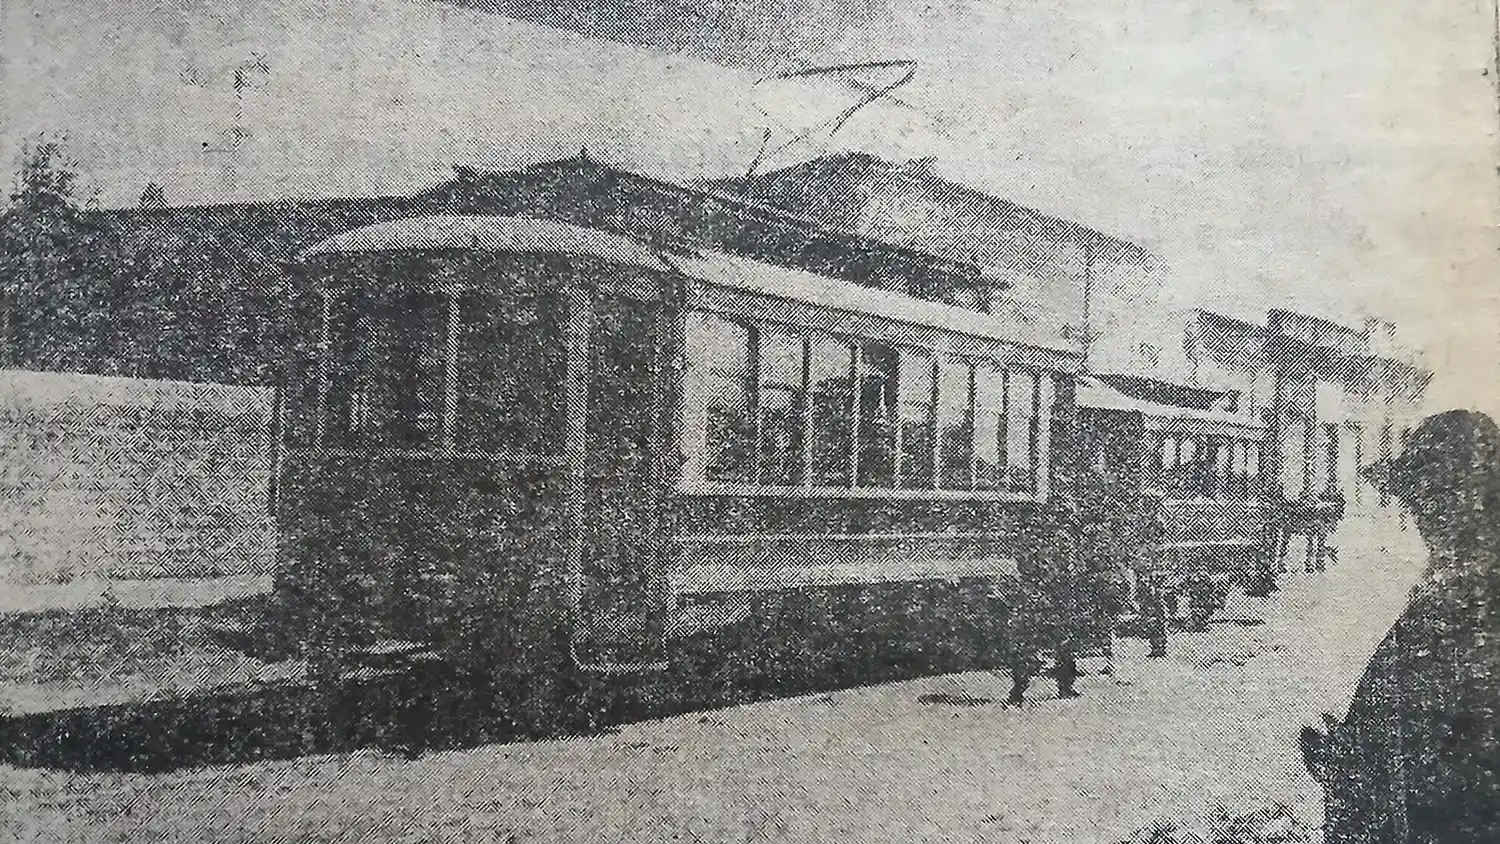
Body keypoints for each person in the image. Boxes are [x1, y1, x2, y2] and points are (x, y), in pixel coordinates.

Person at [1299, 410, 1500, 844]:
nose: (1423, 518)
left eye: (1433, 498)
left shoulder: (1468, 604)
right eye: (1417, 499)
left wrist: (1353, 764)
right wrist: (1351, 750)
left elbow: (1453, 767)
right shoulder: (1448, 595)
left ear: (1473, 501)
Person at [1006, 500, 1085, 705]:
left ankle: (1019, 690)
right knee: (1062, 642)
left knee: (1028, 643)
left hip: (1035, 596)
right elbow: (1070, 571)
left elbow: (1022, 567)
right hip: (1055, 596)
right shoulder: (1062, 539)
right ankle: (1063, 687)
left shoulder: (1026, 540)